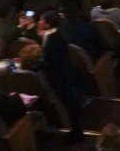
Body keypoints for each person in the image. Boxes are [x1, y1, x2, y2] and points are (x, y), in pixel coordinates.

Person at [38, 10, 86, 141]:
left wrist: (39, 63)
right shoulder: (52, 35)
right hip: (60, 76)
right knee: (68, 105)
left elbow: (52, 62)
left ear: (47, 24)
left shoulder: (53, 41)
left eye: (41, 20)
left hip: (61, 78)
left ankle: (76, 133)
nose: (39, 22)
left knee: (69, 105)